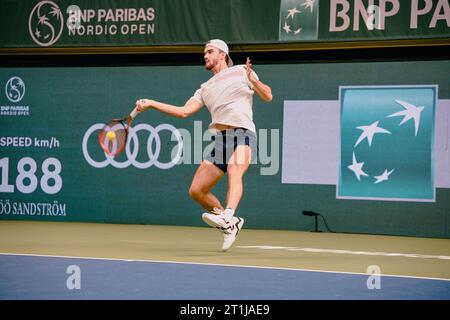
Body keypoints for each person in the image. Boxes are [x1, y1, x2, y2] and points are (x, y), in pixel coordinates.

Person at [134, 39, 272, 251]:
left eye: (210, 52)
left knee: (235, 170)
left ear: (222, 55)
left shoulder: (241, 71)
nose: (205, 56)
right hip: (221, 140)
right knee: (197, 190)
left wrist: (252, 81)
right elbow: (184, 111)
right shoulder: (204, 88)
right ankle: (230, 224)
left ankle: (228, 214)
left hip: (244, 133)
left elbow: (268, 95)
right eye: (204, 53)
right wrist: (152, 103)